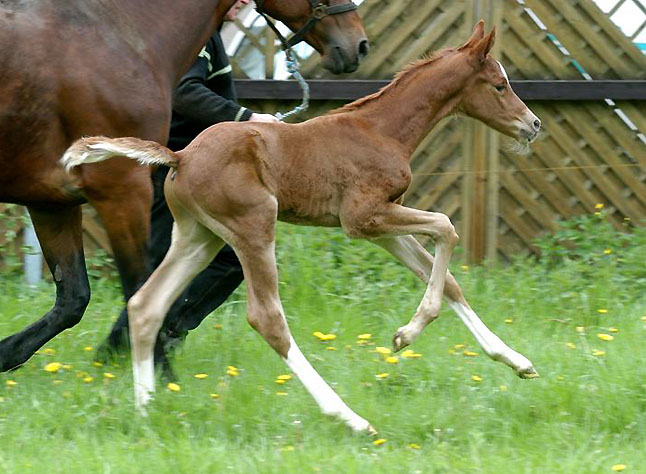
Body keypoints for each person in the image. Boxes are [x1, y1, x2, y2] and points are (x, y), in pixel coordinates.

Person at [98, 0, 279, 360]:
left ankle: (136, 342)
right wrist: (246, 116)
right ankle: (148, 338)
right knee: (214, 258)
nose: (244, 0)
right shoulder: (196, 37)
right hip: (180, 165)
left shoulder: (206, 34)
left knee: (197, 260)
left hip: (194, 168)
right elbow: (184, 94)